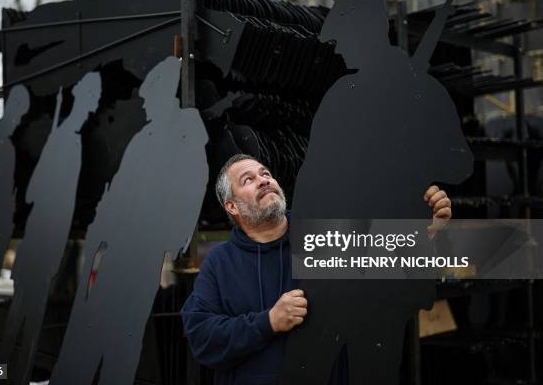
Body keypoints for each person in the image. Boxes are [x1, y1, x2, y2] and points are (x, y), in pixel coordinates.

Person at [181, 154, 452, 384]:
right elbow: (203, 339)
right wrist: (269, 322)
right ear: (232, 206)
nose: (264, 180)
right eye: (248, 180)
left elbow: (396, 288)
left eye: (266, 174)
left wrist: (428, 235)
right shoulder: (220, 263)